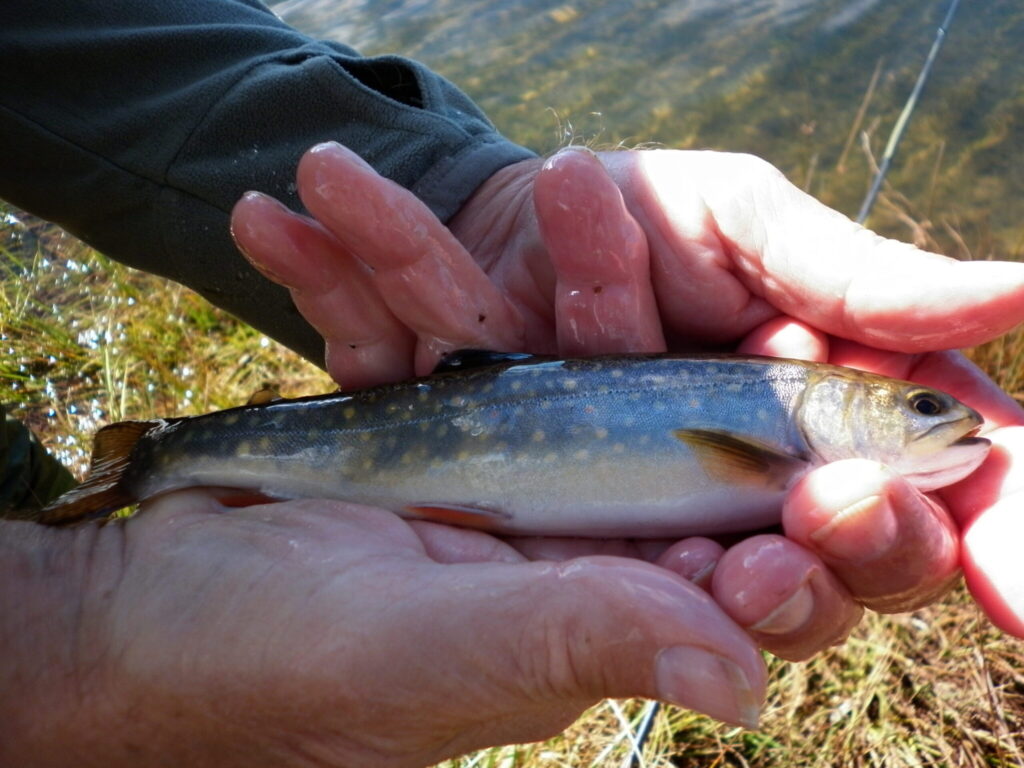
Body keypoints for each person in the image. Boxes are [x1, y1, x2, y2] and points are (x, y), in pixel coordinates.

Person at [2, 2, 1023, 766]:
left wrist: (467, 193)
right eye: (922, 408)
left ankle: (93, 492)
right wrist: (59, 642)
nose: (947, 418)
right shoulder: (774, 441)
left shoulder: (788, 437)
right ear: (831, 414)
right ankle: (131, 476)